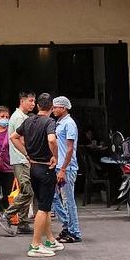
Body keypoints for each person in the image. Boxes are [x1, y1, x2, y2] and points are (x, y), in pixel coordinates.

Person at [10, 92, 62, 257]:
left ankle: (49, 239)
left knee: (42, 207)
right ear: (51, 108)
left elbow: (13, 137)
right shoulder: (49, 122)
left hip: (33, 167)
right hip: (46, 167)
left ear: (39, 106)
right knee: (44, 208)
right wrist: (55, 156)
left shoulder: (28, 121)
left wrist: (26, 154)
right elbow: (52, 140)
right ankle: (35, 244)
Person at [0, 90, 36, 236]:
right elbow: (22, 139)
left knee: (27, 191)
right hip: (21, 159)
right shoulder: (19, 118)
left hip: (21, 159)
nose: (33, 104)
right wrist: (29, 155)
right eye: (30, 101)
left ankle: (23, 223)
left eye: (34, 101)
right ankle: (7, 215)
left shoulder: (22, 116)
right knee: (27, 191)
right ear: (22, 101)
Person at [52, 96, 81, 243]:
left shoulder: (69, 124)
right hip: (59, 167)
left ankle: (74, 232)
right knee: (55, 197)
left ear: (63, 108)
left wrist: (63, 168)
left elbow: (70, 149)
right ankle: (67, 226)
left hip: (67, 168)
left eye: (56, 107)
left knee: (68, 200)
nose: (53, 109)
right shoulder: (60, 123)